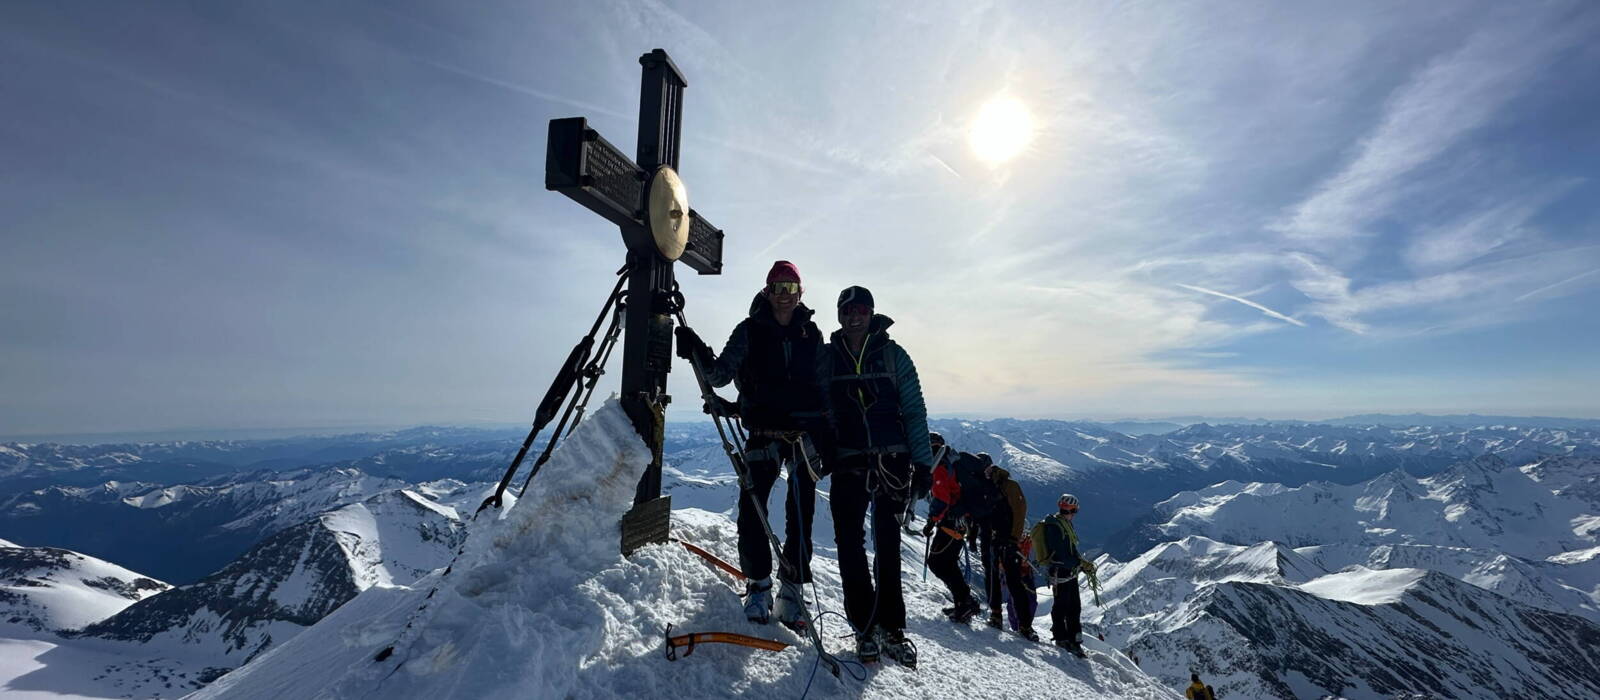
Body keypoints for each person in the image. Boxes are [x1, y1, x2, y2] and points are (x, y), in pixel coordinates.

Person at [675, 260, 827, 629]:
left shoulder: (812, 333)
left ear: (800, 292)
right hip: (764, 433)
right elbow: (720, 374)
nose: (785, 296)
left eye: (791, 288)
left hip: (803, 435)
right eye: (778, 288)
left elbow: (824, 384)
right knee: (753, 511)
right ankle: (759, 587)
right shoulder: (748, 331)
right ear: (767, 291)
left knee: (801, 514)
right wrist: (696, 347)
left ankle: (791, 593)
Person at [815, 286, 935, 668]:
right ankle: (865, 626)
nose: (855, 316)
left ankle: (891, 627)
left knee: (886, 544)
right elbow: (818, 406)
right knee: (849, 544)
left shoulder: (894, 355)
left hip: (892, 462)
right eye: (848, 310)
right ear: (839, 314)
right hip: (850, 460)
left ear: (871, 314)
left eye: (862, 310)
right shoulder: (828, 357)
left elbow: (914, 411)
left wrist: (924, 464)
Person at [974, 455, 1039, 642]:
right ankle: (996, 615)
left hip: (1007, 540)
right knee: (993, 576)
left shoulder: (1009, 486)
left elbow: (1020, 511)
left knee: (1014, 581)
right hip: (992, 539)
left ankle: (1025, 626)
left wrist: (1013, 538)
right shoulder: (987, 486)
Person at [921, 435, 984, 622]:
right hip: (960, 521)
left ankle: (964, 602)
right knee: (948, 563)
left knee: (938, 563)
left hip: (950, 522)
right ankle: (964, 601)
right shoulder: (950, 464)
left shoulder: (939, 467)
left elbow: (942, 498)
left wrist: (932, 521)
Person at [1031, 493, 1094, 656]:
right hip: (1061, 571)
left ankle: (1073, 639)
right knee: (1063, 606)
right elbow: (1062, 555)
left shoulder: (1063, 524)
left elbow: (1070, 551)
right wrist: (1080, 563)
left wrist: (1079, 563)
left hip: (1067, 572)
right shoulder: (1055, 527)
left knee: (1073, 606)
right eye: (1075, 511)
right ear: (1071, 510)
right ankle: (1062, 637)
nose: (1075, 514)